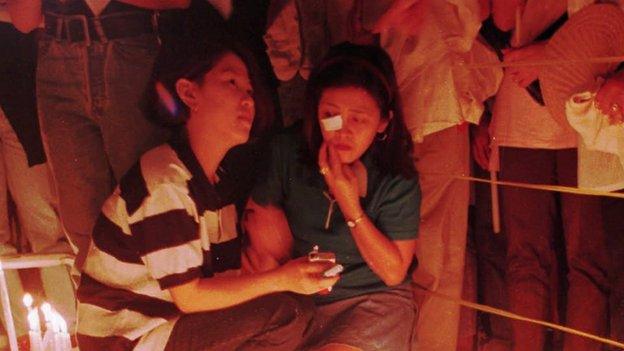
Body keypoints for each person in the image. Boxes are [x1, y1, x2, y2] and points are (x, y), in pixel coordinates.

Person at [76, 39, 338, 351]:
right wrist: (282, 278)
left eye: (251, 91)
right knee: (286, 312)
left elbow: (221, 285)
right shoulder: (166, 181)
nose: (247, 99)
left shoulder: (215, 184)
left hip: (170, 328)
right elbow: (190, 296)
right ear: (189, 93)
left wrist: (296, 278)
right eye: (232, 82)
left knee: (294, 307)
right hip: (126, 341)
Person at [246, 42, 421, 351]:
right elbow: (264, 233)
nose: (342, 131)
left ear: (383, 121)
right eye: (331, 115)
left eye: (358, 119)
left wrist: (349, 203)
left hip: (370, 300)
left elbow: (393, 271)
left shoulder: (395, 177)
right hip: (299, 298)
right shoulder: (287, 150)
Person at [6, 0, 189, 270]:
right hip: (58, 57)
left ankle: (166, 304)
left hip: (130, 48)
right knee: (84, 227)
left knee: (150, 205)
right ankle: (101, 308)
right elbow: (24, 20)